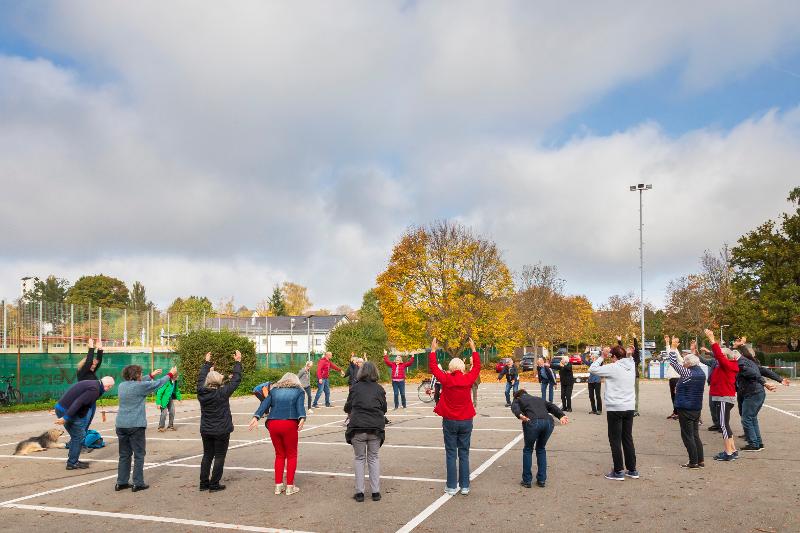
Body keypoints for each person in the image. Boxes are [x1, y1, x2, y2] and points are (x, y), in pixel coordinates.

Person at [429, 337, 481, 496]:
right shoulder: (468, 378)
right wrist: (473, 349)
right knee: (464, 453)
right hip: (466, 420)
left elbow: (433, 368)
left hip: (450, 420)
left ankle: (451, 486)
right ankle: (465, 486)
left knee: (451, 453)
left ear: (451, 368)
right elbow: (477, 367)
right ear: (463, 367)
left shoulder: (445, 379)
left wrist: (433, 351)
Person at [115, 364, 175, 492]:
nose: (142, 375)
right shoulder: (140, 386)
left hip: (121, 424)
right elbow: (158, 384)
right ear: (137, 375)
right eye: (141, 374)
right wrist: (170, 374)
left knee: (124, 455)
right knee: (139, 454)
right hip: (135, 425)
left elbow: (142, 383)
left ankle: (121, 482)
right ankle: (138, 483)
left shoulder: (122, 386)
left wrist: (151, 375)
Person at [249, 371, 306, 495]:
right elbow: (300, 407)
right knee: (291, 455)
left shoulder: (274, 390)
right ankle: (290, 486)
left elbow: (264, 404)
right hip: (289, 423)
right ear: (296, 381)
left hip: (273, 423)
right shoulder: (299, 391)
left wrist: (256, 416)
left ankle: (278, 485)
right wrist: (302, 417)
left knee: (279, 454)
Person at [589, 344, 638, 480]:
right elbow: (631, 358)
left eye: (611, 356)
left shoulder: (613, 367)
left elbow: (592, 369)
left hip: (615, 407)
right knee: (627, 437)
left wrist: (602, 357)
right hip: (629, 406)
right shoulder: (631, 365)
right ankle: (632, 469)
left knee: (615, 439)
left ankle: (618, 470)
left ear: (615, 357)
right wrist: (628, 353)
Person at [198, 350, 243, 492]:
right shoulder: (222, 393)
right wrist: (238, 362)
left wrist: (206, 364)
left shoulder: (201, 392)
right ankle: (214, 484)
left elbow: (201, 379)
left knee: (207, 455)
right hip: (221, 429)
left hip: (206, 429)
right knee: (219, 456)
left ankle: (204, 483)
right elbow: (236, 380)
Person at [344, 361, 387, 502]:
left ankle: (360, 493)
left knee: (359, 458)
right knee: (373, 458)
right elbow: (384, 408)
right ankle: (375, 492)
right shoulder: (379, 389)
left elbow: (347, 407)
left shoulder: (355, 388)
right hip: (375, 427)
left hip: (357, 427)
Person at [54, 376, 115, 470]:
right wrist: (65, 417)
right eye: (110, 387)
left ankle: (73, 459)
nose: (109, 389)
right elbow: (78, 402)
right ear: (108, 386)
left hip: (62, 408)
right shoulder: (95, 390)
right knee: (79, 436)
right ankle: (72, 463)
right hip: (66, 411)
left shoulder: (94, 384)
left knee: (77, 436)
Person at [511, 389, 569, 488]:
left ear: (517, 396)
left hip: (533, 422)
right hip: (548, 423)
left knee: (528, 450)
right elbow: (552, 406)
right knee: (541, 449)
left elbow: (514, 407)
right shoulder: (538, 398)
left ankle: (527, 480)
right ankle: (541, 480)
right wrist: (561, 415)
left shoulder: (518, 399)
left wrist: (520, 415)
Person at [665, 335, 706, 468]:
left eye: (685, 362)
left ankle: (693, 461)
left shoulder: (688, 373)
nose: (683, 364)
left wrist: (672, 347)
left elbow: (673, 362)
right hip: (696, 407)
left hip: (686, 407)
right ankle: (700, 460)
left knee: (687, 436)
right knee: (695, 434)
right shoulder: (701, 373)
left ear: (689, 363)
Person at [735, 339, 783, 451]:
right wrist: (779, 379)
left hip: (752, 392)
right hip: (754, 392)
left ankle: (754, 444)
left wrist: (765, 383)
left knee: (746, 418)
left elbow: (753, 374)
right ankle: (758, 443)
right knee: (752, 418)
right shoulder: (752, 361)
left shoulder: (742, 363)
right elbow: (764, 371)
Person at [704, 329, 740, 462]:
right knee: (726, 424)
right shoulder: (723, 365)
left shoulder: (728, 365)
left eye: (721, 356)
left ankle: (728, 452)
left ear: (725, 357)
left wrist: (712, 340)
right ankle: (733, 450)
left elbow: (719, 355)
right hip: (722, 397)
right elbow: (717, 356)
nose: (717, 357)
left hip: (724, 397)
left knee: (723, 425)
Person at [76, 338, 104, 429]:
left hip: (92, 401)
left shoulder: (91, 372)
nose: (94, 366)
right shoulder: (82, 372)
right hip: (85, 402)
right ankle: (79, 441)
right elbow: (88, 362)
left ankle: (84, 441)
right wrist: (91, 348)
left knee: (87, 424)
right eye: (92, 365)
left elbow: (98, 363)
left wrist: (100, 349)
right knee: (83, 423)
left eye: (94, 365)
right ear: (85, 365)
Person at [664, 339, 684, 420]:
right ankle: (676, 412)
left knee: (676, 396)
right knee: (673, 396)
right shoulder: (674, 352)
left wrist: (672, 346)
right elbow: (669, 352)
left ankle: (678, 412)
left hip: (676, 377)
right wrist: (667, 342)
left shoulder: (677, 354)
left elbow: (680, 359)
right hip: (673, 378)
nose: (674, 344)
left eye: (675, 342)